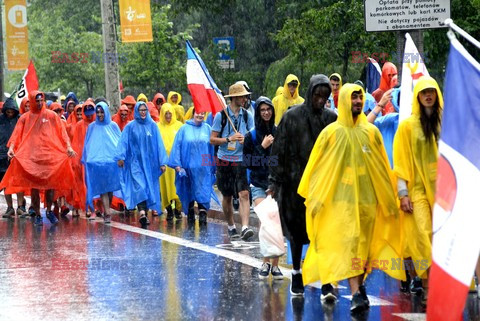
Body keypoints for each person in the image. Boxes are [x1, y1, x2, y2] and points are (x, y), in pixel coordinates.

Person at [298, 83, 404, 313]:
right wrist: (315, 199)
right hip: (340, 206)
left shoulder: (371, 133)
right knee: (350, 245)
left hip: (367, 205)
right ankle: (356, 293)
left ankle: (359, 287)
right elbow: (317, 168)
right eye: (353, 97)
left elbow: (382, 168)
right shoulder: (331, 134)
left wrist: (389, 199)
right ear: (345, 100)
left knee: (362, 249)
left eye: (360, 98)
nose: (357, 101)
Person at [268, 74, 337, 297]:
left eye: (325, 96)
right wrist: (274, 181)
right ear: (310, 93)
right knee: (297, 233)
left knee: (324, 233)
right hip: (294, 183)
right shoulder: (291, 117)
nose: (320, 99)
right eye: (317, 95)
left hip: (323, 184)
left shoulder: (331, 119)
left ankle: (326, 278)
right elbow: (279, 150)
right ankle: (296, 272)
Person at [393, 76, 443, 304]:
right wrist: (402, 193)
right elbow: (401, 161)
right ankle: (428, 284)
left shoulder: (446, 123)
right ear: (418, 97)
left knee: (439, 236)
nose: (428, 95)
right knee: (422, 235)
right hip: (417, 190)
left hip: (444, 190)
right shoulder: (407, 126)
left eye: (432, 91)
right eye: (424, 92)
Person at [0, 91, 76, 226]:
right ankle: (38, 214)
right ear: (32, 101)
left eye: (42, 100)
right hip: (32, 159)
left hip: (49, 157)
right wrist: (11, 148)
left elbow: (62, 132)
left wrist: (68, 147)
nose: (40, 103)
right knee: (34, 188)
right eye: (37, 101)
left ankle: (48, 211)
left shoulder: (52, 116)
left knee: (50, 186)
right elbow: (16, 135)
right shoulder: (25, 118)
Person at [242, 96, 283, 280]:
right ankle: (265, 262)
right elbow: (247, 162)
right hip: (258, 184)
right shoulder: (250, 136)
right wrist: (262, 147)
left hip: (276, 184)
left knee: (276, 223)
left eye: (269, 109)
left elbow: (283, 160)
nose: (266, 112)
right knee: (266, 221)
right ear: (258, 112)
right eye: (262, 110)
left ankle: (275, 265)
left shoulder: (278, 132)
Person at [210, 83, 255, 241]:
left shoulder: (248, 115)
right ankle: (230, 225)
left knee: (244, 193)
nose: (244, 99)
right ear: (234, 97)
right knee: (227, 196)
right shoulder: (220, 116)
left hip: (240, 160)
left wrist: (246, 139)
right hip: (224, 161)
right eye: (242, 96)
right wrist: (229, 138)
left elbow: (252, 135)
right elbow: (212, 139)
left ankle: (245, 227)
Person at [115, 102, 168, 227]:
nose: (143, 112)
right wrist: (121, 157)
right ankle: (142, 213)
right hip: (135, 163)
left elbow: (159, 144)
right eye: (141, 110)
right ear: (137, 111)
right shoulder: (130, 126)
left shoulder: (153, 126)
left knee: (148, 187)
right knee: (140, 187)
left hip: (150, 164)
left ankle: (145, 210)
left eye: (145, 110)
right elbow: (123, 142)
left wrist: (162, 162)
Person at [169, 110, 219, 225]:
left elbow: (212, 150)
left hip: (203, 170)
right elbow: (177, 147)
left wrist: (214, 166)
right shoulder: (184, 129)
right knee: (189, 193)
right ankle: (190, 211)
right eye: (198, 113)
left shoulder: (208, 129)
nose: (200, 115)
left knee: (203, 192)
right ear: (193, 114)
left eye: (202, 113)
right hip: (187, 170)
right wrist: (177, 165)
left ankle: (202, 213)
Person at [82, 102, 122, 224]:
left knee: (110, 189)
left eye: (101, 112)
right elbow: (87, 144)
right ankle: (107, 212)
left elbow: (119, 142)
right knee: (103, 188)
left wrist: (121, 157)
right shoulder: (92, 127)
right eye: (98, 112)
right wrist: (87, 159)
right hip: (98, 164)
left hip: (112, 164)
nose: (99, 114)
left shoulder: (113, 126)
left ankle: (107, 208)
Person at [70, 101, 96, 218]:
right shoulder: (80, 125)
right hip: (83, 159)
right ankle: (86, 206)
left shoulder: (97, 124)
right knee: (83, 184)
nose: (89, 116)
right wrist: (76, 160)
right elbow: (76, 143)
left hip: (94, 158)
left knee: (94, 183)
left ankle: (94, 206)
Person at [0, 98, 26, 218]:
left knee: (19, 181)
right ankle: (10, 207)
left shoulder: (20, 119)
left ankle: (20, 206)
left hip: (18, 154)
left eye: (12, 111)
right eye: (8, 111)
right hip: (2, 155)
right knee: (5, 182)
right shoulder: (1, 120)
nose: (10, 114)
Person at [157, 103, 183, 220]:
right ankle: (168, 208)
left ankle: (178, 208)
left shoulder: (179, 126)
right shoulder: (157, 127)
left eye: (170, 113)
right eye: (165, 113)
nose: (168, 116)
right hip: (164, 163)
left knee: (176, 186)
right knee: (165, 188)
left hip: (177, 162)